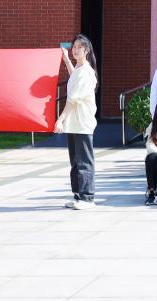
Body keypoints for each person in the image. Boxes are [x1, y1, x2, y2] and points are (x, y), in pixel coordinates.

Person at [57, 34, 98, 210]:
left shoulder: (86, 72)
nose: (75, 50)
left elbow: (72, 99)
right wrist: (66, 59)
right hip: (74, 123)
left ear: (86, 50)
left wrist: (60, 120)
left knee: (84, 161)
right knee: (75, 161)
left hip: (82, 123)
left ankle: (87, 198)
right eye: (74, 47)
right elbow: (73, 76)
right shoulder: (79, 70)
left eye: (79, 47)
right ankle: (78, 196)